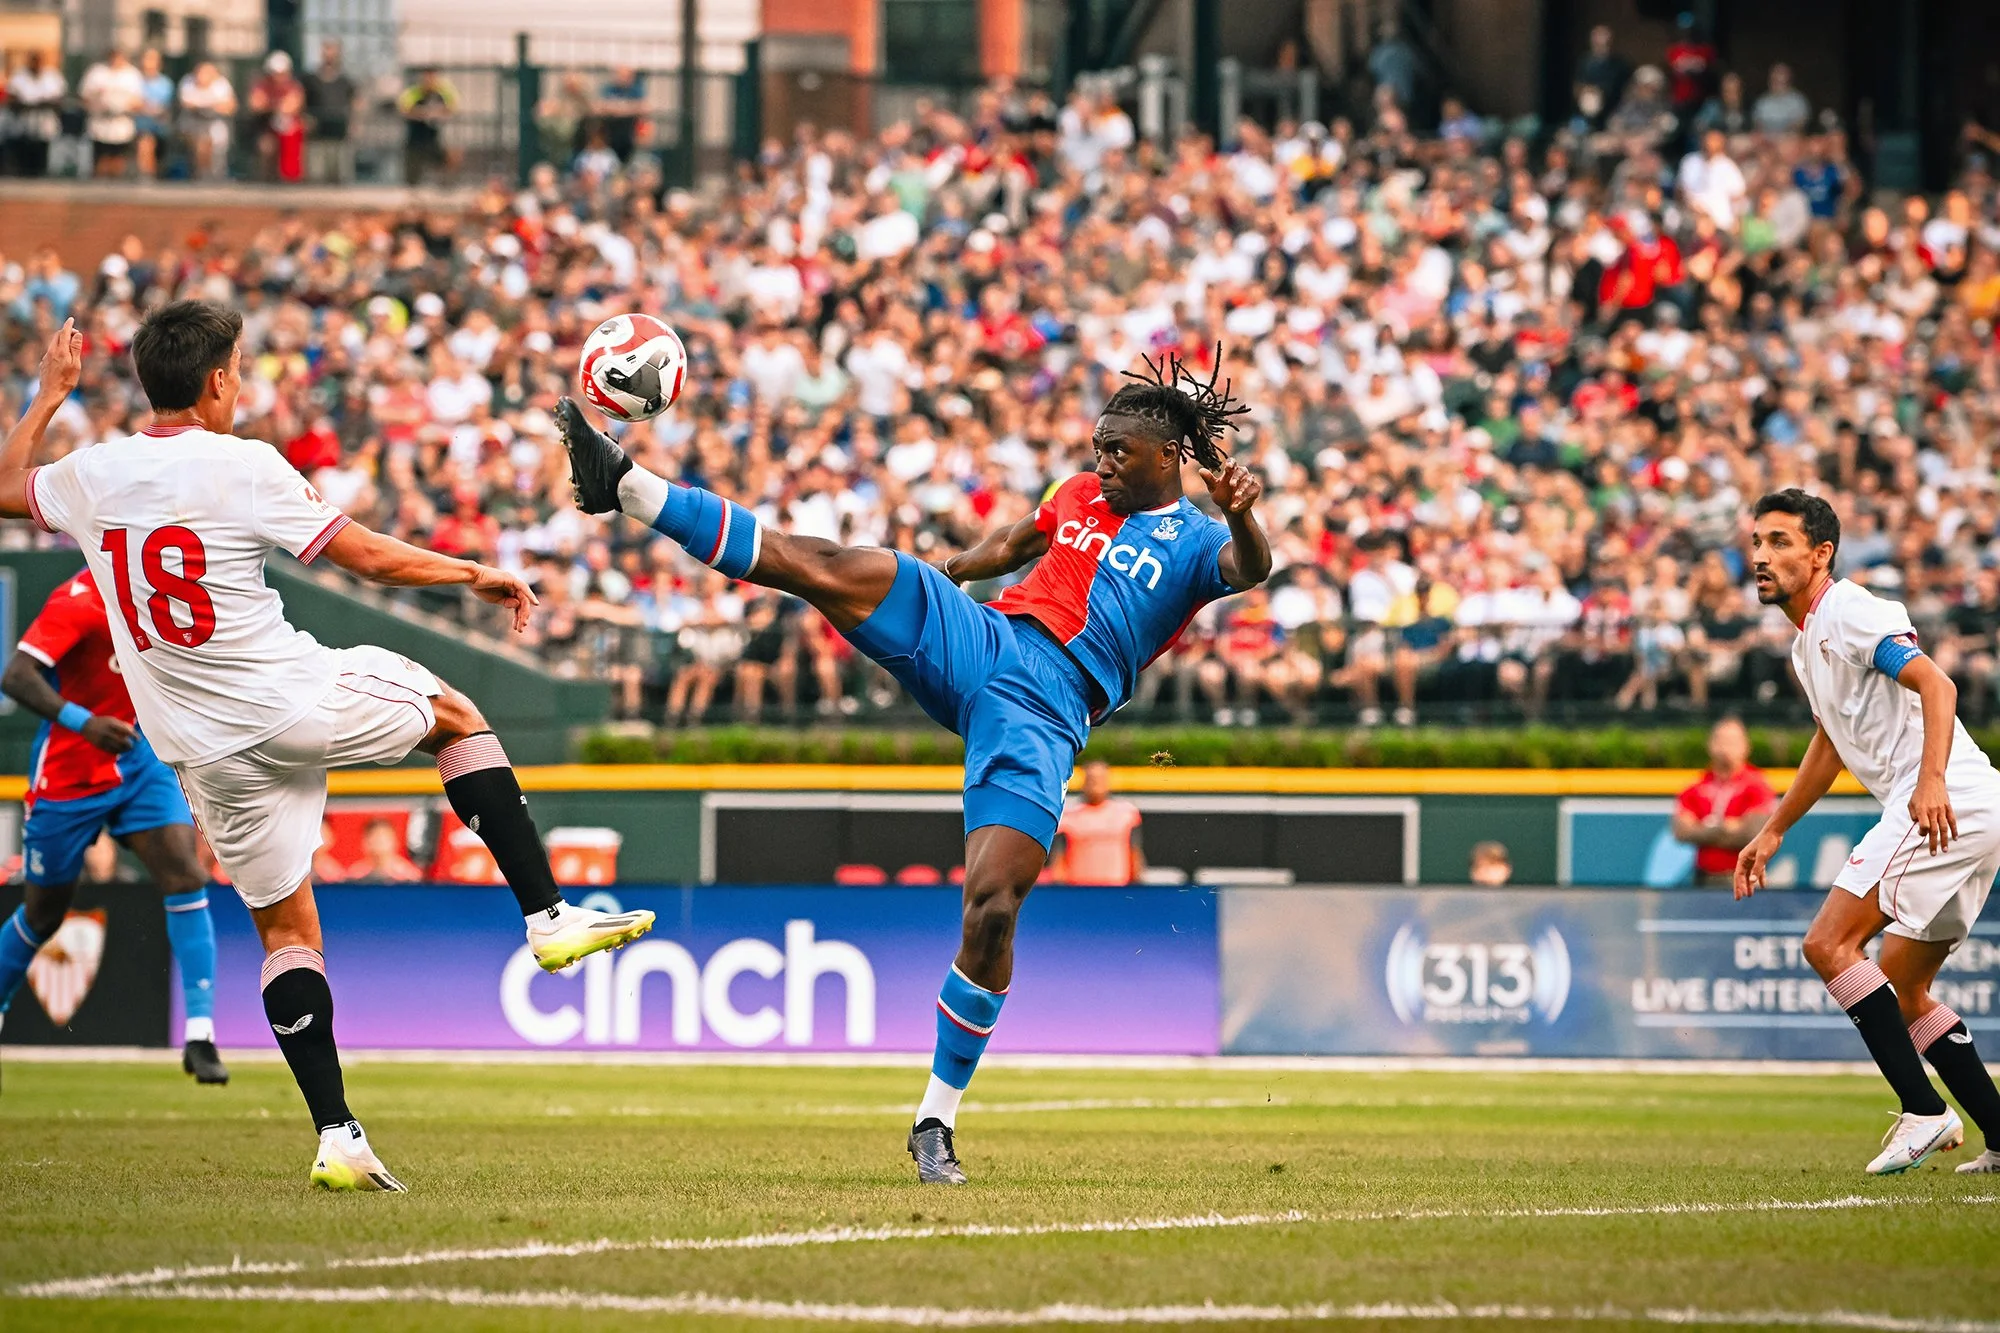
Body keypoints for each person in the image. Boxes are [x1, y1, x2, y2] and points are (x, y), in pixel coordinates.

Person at [560, 349, 1270, 1184]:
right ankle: (627, 486)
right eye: (1098, 446)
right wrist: (945, 575)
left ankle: (935, 1120)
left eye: (1119, 451)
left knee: (992, 907)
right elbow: (1017, 541)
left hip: (1046, 711)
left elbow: (1250, 568)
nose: (1102, 462)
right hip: (986, 638)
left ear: (1168, 456)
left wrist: (1243, 518)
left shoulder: (1199, 539)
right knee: (835, 567)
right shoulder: (1078, 492)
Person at [0, 312, 654, 1191]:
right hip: (287, 699)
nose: (242, 382)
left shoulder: (92, 473)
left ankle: (337, 1134)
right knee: (456, 716)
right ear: (217, 382)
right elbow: (368, 558)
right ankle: (548, 918)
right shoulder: (243, 465)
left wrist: (49, 394)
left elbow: (5, 486)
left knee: (286, 932)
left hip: (201, 753)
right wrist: (473, 572)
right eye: (238, 367)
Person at [1736, 489, 2000, 1177]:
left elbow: (1937, 686)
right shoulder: (1807, 643)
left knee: (1828, 944)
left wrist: (1930, 781)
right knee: (1905, 988)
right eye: (1758, 541)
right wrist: (1773, 830)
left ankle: (1924, 1111)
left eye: (1780, 541)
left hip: (1943, 800)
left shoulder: (1849, 610)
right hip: (1970, 807)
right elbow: (1830, 743)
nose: (1761, 555)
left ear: (1820, 553)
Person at [0, 569, 228, 1084]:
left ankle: (200, 1034)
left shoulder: (164, 592)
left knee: (185, 874)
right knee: (43, 914)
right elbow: (15, 676)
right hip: (70, 769)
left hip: (138, 758)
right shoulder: (78, 600)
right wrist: (83, 722)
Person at [1673, 716, 1776, 886]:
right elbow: (1682, 831)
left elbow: (1753, 833)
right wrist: (1726, 827)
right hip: (1704, 879)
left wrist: (1705, 827)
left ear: (1746, 746)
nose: (1725, 748)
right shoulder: (1696, 787)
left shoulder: (1758, 786)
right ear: (1710, 744)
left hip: (1745, 878)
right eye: (1721, 740)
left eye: (1732, 742)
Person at [1052, 760, 1145, 885]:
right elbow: (1059, 857)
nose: (1096, 783)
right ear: (1084, 782)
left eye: (1100, 779)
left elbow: (1135, 852)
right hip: (1079, 888)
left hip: (1117, 887)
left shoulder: (1126, 813)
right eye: (1091, 779)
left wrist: (1137, 884)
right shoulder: (1068, 815)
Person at [78, 48, 144, 179]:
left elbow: (139, 101)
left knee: (118, 156)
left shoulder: (132, 74)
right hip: (100, 123)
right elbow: (84, 96)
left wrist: (123, 106)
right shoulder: (97, 72)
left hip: (121, 123)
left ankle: (116, 181)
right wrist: (97, 104)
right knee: (100, 156)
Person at [302, 41, 357, 183]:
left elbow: (354, 102)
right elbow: (302, 101)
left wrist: (353, 123)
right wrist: (306, 119)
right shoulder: (311, 80)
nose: (329, 57)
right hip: (317, 132)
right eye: (326, 52)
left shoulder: (345, 81)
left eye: (332, 53)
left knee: (340, 172)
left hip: (339, 131)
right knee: (317, 172)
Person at [176, 61, 236, 181]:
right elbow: (186, 104)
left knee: (215, 141)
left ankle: (214, 174)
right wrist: (209, 106)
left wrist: (208, 107)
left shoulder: (221, 84)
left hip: (215, 121)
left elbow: (230, 107)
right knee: (200, 141)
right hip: (193, 121)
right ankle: (201, 173)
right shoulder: (188, 82)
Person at [398, 68, 457, 186]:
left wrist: (437, 113)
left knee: (448, 158)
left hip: (433, 137)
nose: (429, 81)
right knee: (413, 167)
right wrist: (423, 113)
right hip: (415, 137)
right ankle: (412, 186)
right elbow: (404, 109)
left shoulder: (442, 93)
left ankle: (446, 184)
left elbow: (451, 108)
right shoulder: (414, 92)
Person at [133, 49, 174, 179]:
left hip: (159, 123)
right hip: (138, 123)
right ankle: (145, 174)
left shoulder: (165, 83)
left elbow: (164, 106)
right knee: (145, 143)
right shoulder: (134, 80)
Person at [347, 818, 423, 882]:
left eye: (383, 837)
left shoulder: (409, 876)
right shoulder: (355, 875)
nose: (379, 842)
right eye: (374, 837)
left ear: (395, 841)